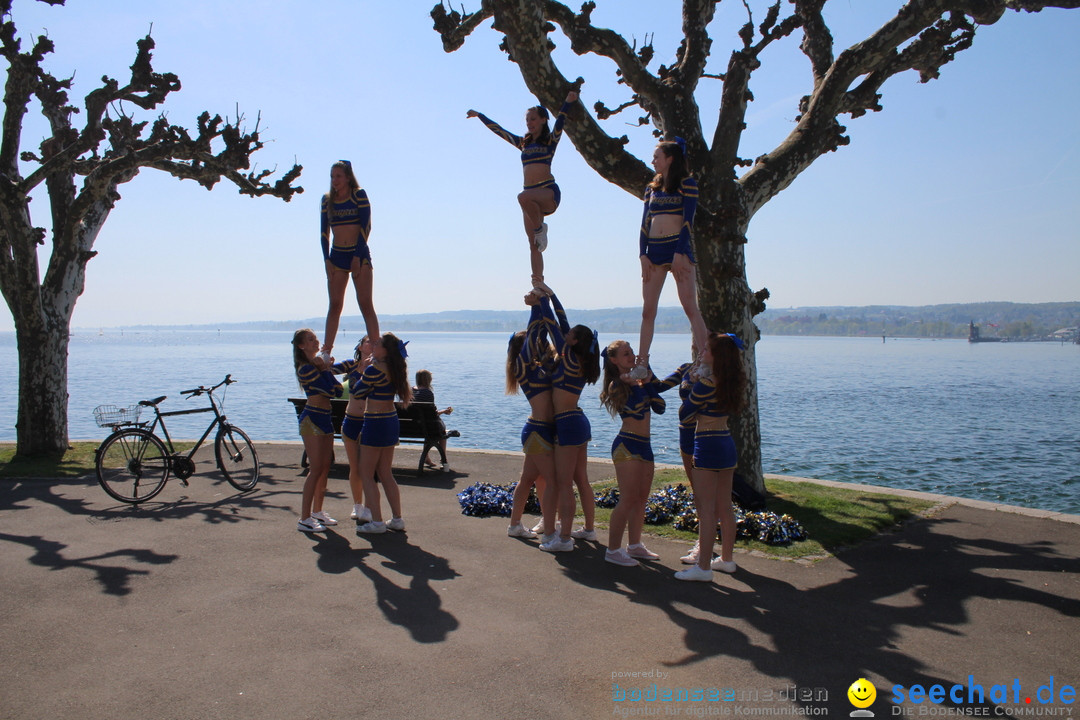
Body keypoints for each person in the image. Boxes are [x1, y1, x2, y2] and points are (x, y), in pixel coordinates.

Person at [466, 89, 578, 291]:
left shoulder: (550, 141)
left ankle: (540, 229)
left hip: (547, 192)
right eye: (527, 120)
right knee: (533, 245)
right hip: (530, 198)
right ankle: (538, 282)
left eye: (533, 119)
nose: (529, 123)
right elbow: (500, 131)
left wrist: (568, 102)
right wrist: (479, 115)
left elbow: (561, 120)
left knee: (523, 198)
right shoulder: (523, 143)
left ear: (543, 120)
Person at [632, 138, 709, 379]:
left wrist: (679, 252)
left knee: (689, 306)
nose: (653, 161)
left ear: (670, 159)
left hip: (678, 249)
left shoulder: (687, 184)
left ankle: (706, 359)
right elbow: (645, 222)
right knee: (648, 311)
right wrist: (642, 254)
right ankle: (642, 363)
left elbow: (688, 220)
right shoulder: (651, 188)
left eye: (657, 157)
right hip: (653, 252)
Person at [675, 332, 748, 582]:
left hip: (707, 444)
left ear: (717, 357)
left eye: (706, 351)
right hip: (726, 442)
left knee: (706, 509)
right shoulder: (732, 381)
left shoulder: (707, 384)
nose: (702, 353)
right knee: (725, 506)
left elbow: (685, 413)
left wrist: (689, 383)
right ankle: (727, 560)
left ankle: (703, 567)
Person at [536, 290, 600, 552]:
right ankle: (589, 529)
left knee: (563, 483)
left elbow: (552, 323)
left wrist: (543, 299)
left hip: (567, 423)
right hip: (578, 421)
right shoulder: (580, 358)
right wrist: (551, 294)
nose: (565, 333)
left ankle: (563, 539)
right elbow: (561, 323)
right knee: (580, 480)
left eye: (569, 333)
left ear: (573, 340)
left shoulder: (570, 357)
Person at [598, 340, 668, 567]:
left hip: (645, 446)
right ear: (614, 360)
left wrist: (646, 379)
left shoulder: (638, 380)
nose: (632, 357)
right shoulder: (616, 385)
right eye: (626, 354)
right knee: (627, 499)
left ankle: (635, 545)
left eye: (632, 353)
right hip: (627, 445)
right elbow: (637, 410)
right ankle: (613, 550)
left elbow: (660, 407)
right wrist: (638, 383)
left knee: (640, 500)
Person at [504, 291, 557, 540]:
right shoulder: (522, 368)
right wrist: (535, 308)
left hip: (544, 429)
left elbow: (544, 333)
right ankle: (548, 529)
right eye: (532, 342)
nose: (539, 343)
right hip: (537, 431)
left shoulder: (541, 365)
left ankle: (521, 524)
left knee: (530, 480)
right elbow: (535, 333)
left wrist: (543, 306)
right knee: (548, 479)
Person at [319, 160, 379, 363]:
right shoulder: (327, 200)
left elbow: (366, 226)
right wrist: (326, 259)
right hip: (337, 255)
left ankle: (377, 350)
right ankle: (326, 351)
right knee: (335, 305)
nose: (334, 180)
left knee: (365, 303)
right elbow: (323, 233)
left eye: (338, 176)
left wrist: (356, 257)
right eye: (332, 176)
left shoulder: (358, 195)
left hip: (358, 253)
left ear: (347, 177)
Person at [354, 332, 412, 535]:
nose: (373, 346)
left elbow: (358, 392)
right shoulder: (395, 369)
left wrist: (362, 370)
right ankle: (397, 518)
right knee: (386, 472)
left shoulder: (374, 369)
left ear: (385, 350)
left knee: (367, 473)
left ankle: (377, 522)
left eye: (377, 344)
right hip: (390, 420)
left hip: (375, 421)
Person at [291, 328, 343, 533]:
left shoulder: (318, 366)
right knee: (314, 469)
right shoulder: (305, 369)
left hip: (325, 418)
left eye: (316, 338)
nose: (316, 342)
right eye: (310, 340)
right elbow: (332, 389)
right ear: (301, 345)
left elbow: (336, 388)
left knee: (325, 466)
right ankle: (304, 518)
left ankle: (317, 511)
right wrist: (326, 369)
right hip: (311, 419)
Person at [331, 336, 375, 524]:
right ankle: (357, 504)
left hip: (369, 421)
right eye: (368, 341)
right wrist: (325, 360)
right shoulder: (350, 365)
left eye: (374, 342)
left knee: (368, 468)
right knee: (355, 467)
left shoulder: (378, 368)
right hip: (351, 420)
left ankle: (369, 506)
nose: (371, 344)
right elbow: (329, 370)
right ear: (359, 346)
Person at [412, 369, 454, 470]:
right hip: (425, 427)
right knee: (442, 433)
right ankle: (443, 459)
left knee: (427, 425)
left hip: (412, 427)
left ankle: (426, 457)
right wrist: (444, 411)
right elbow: (432, 414)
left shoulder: (410, 391)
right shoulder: (427, 393)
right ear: (428, 380)